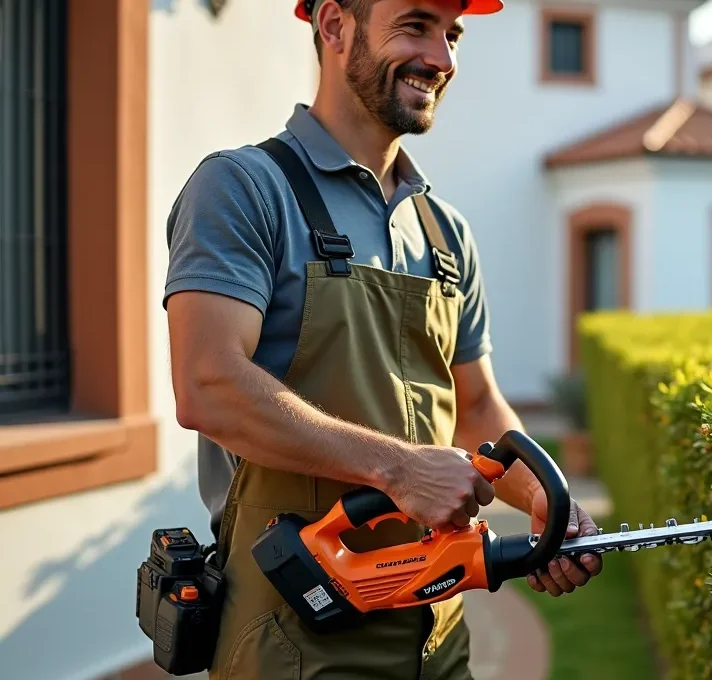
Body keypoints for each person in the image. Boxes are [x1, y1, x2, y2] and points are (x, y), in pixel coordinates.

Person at [162, 0, 603, 677]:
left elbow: (477, 406)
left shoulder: (445, 232)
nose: (443, 59)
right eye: (416, 26)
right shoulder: (243, 188)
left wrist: (547, 502)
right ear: (335, 26)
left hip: (438, 638)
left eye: (452, 35)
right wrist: (398, 468)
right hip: (294, 635)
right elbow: (209, 386)